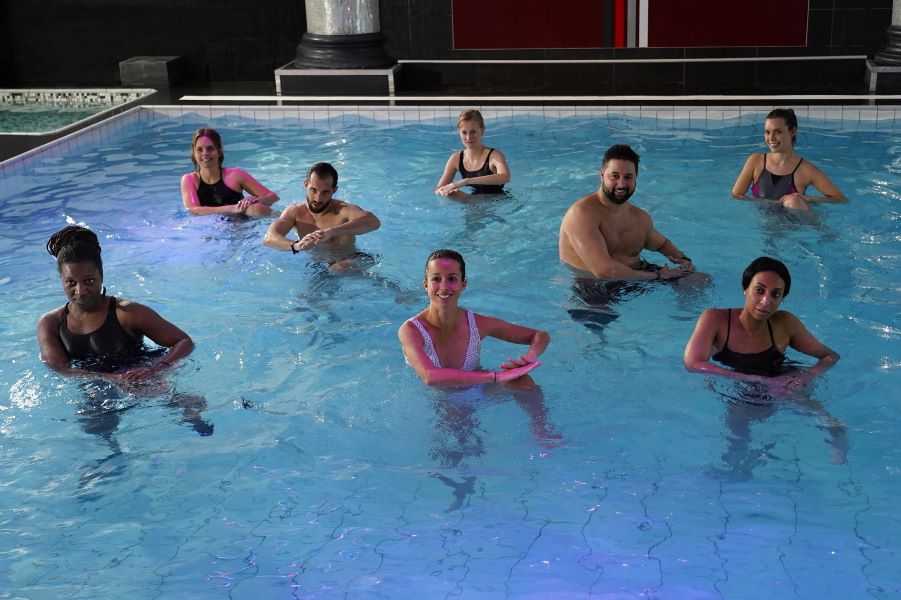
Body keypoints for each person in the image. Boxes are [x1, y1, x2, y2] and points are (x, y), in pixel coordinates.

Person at [36, 226, 195, 382]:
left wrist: (157, 369)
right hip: (98, 384)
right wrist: (113, 378)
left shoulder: (127, 313)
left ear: (101, 275)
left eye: (89, 281)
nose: (80, 290)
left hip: (139, 373)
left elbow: (184, 341)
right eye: (71, 282)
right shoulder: (50, 324)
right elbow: (60, 368)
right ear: (61, 280)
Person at [683, 256, 839, 390]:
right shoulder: (716, 319)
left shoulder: (785, 324)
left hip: (781, 382)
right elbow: (692, 363)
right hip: (738, 389)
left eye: (775, 294)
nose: (766, 301)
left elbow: (830, 356)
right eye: (759, 290)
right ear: (746, 288)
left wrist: (807, 376)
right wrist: (759, 380)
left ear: (782, 298)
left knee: (825, 419)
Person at [398, 249, 549, 386]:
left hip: (474, 390)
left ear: (463, 284)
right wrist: (495, 377)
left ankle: (541, 418)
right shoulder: (411, 330)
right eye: (436, 279)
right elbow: (430, 377)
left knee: (524, 381)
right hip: (431, 400)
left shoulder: (477, 324)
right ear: (426, 285)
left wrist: (530, 356)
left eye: (452, 279)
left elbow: (540, 335)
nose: (444, 287)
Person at [559, 144, 695, 282]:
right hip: (593, 285)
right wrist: (658, 276)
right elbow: (604, 270)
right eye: (615, 176)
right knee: (597, 303)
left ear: (636, 178)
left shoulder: (640, 218)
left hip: (637, 273)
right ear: (602, 175)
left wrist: (683, 260)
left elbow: (662, 244)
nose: (621, 184)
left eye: (628, 177)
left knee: (697, 280)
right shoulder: (582, 214)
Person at [263, 162, 380, 270]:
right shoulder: (295, 211)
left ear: (334, 190)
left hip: (352, 259)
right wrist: (297, 246)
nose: (318, 198)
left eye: (325, 192)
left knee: (338, 268)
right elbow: (269, 238)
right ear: (305, 184)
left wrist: (333, 232)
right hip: (319, 266)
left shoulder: (343, 210)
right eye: (313, 190)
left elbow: (373, 222)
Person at [732, 108, 846, 210]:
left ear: (793, 131)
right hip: (764, 226)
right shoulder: (756, 161)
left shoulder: (806, 170)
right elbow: (737, 195)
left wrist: (809, 199)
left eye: (778, 132)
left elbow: (841, 199)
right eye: (767, 132)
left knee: (793, 202)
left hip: (796, 226)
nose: (771, 138)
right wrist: (769, 203)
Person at [180, 127, 279, 217]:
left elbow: (272, 197)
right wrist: (233, 208)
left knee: (256, 208)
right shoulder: (189, 179)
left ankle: (288, 221)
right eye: (199, 150)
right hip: (210, 230)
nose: (205, 154)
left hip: (241, 226)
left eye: (210, 148)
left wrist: (254, 200)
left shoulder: (235, 175)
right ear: (194, 153)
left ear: (219, 151)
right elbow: (193, 210)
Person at [435, 109, 511, 199]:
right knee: (451, 193)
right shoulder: (456, 158)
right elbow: (439, 188)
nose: (468, 137)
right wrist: (443, 191)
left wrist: (467, 181)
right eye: (464, 132)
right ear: (458, 131)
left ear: (482, 130)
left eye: (473, 132)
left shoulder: (494, 156)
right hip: (473, 201)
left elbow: (505, 177)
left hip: (498, 202)